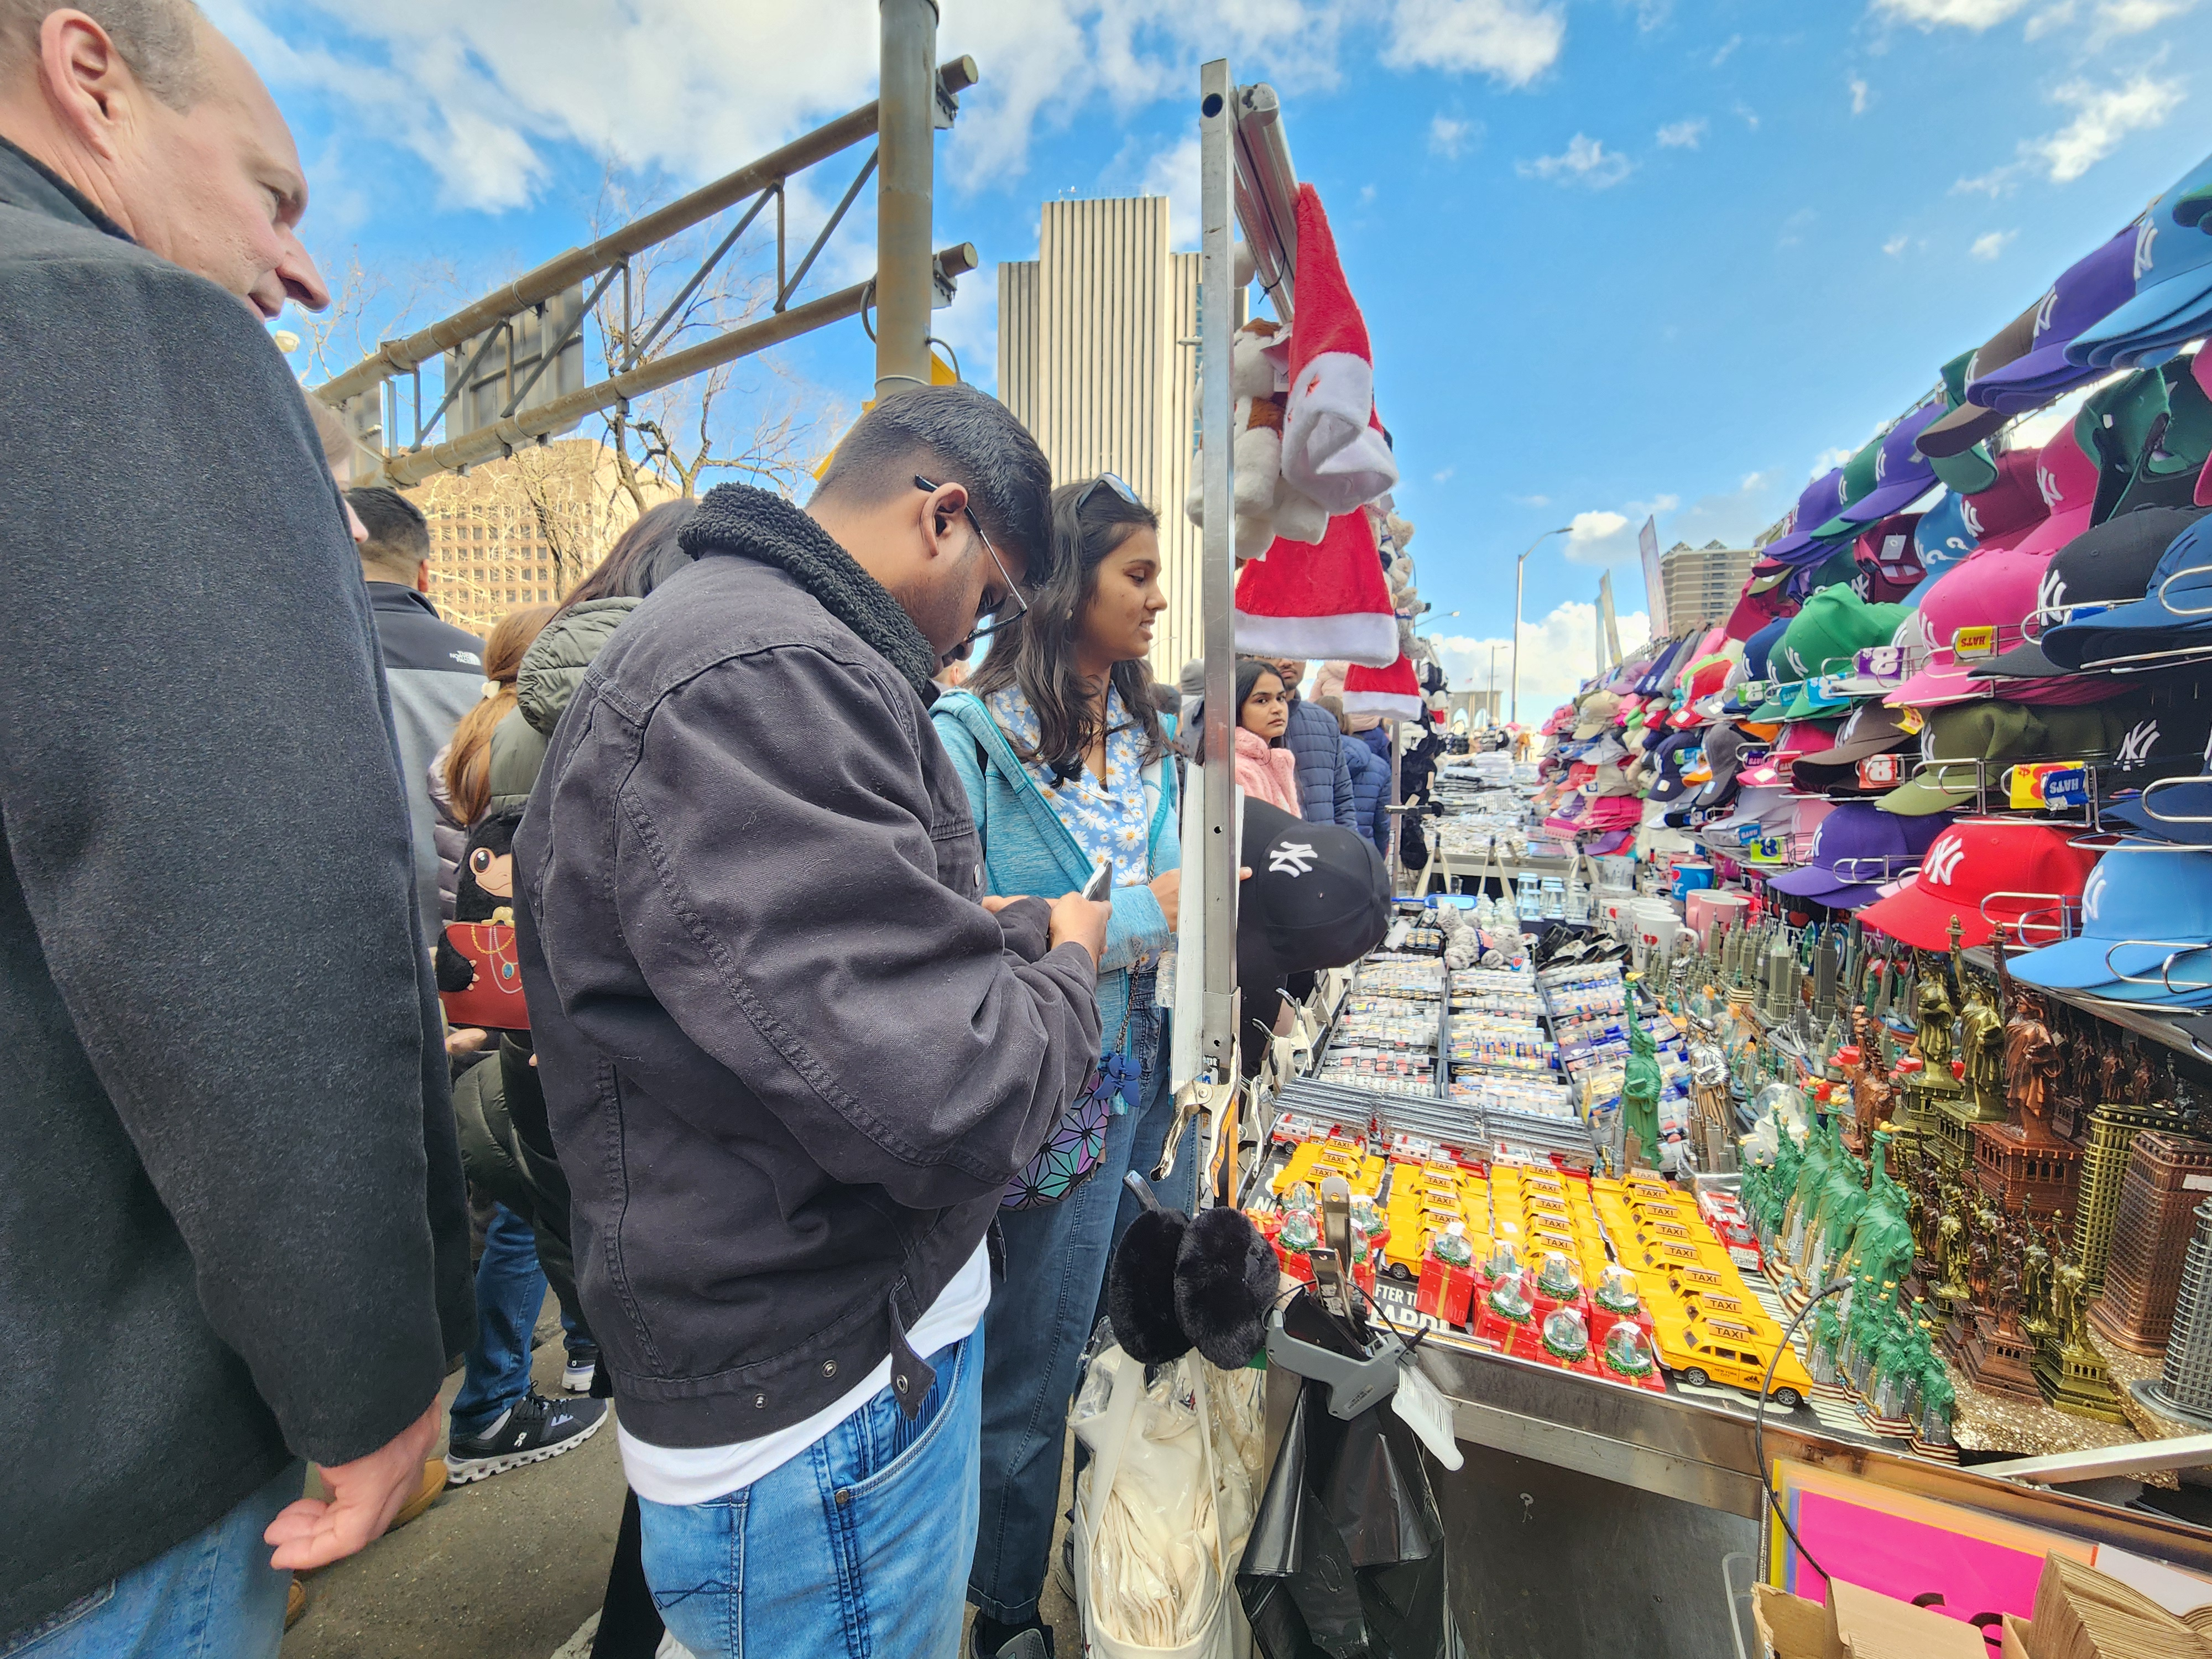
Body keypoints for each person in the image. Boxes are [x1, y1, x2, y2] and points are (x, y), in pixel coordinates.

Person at [0, 7, 473, 1655]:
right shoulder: (109, 329)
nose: (304, 269)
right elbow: (246, 921)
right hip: (93, 1477)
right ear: (90, 75)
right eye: (273, 198)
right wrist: (369, 1378)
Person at [515, 383, 1111, 1659]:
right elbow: (948, 1095)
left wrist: (990, 934)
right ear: (943, 516)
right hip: (820, 1395)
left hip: (835, 1350)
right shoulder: (761, 672)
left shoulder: (767, 652)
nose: (974, 642)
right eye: (994, 598)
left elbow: (838, 984)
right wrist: (1068, 962)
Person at [933, 474, 1197, 1658]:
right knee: (1016, 1360)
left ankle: (1051, 1567)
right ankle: (1000, 1611)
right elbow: (945, 916)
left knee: (1080, 1341)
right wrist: (1134, 915)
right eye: (1135, 574)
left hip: (1131, 1069)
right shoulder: (964, 739)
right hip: (1022, 1079)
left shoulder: (1154, 742)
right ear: (1060, 584)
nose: (1156, 600)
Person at [349, 484, 486, 947]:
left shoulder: (290, 663)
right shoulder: (492, 668)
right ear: (424, 574)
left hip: (340, 950)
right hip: (470, 950)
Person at [1265, 656, 1357, 829]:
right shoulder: (1232, 722)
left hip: (1323, 850)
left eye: (1295, 653)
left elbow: (1343, 801)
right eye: (1272, 654)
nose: (1286, 661)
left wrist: (1347, 849)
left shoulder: (1325, 722)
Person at [1214, 656, 1303, 816]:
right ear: (1236, 706)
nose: (1277, 708)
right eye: (1262, 701)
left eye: (1280, 698)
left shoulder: (1275, 761)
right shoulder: (1236, 770)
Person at [1319, 691, 1392, 858]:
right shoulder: (1380, 767)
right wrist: (1377, 861)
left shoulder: (1301, 759)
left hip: (1317, 854)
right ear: (1346, 721)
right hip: (1361, 854)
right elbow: (1382, 825)